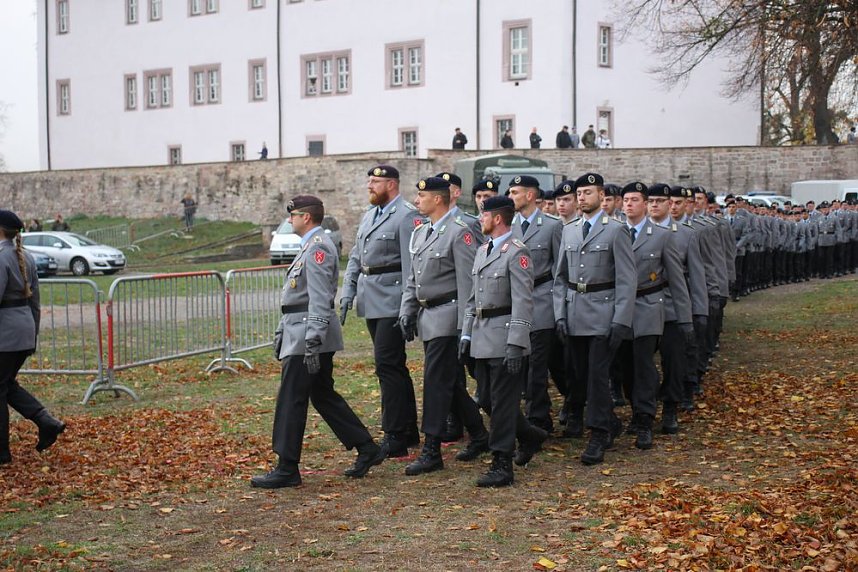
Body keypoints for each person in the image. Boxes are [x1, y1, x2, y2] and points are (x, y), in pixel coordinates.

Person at [252, 196, 385, 488]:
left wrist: (312, 339)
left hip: (307, 336)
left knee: (291, 398)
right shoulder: (311, 245)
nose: (290, 220)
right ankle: (366, 446)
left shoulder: (318, 247)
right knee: (322, 394)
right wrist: (281, 332)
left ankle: (287, 467)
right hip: (300, 332)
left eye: (294, 215)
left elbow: (320, 298)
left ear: (307, 218)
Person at [399, 177, 489, 475]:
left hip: (448, 319)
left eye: (421, 195)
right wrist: (407, 310)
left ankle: (431, 448)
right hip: (428, 317)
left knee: (436, 382)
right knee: (448, 382)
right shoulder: (423, 231)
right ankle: (479, 433)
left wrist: (467, 328)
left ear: (438, 199)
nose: (416, 200)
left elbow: (468, 285)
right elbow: (415, 276)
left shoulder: (459, 233)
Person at [460, 196, 545, 487]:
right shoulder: (484, 250)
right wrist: (466, 332)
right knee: (486, 399)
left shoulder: (516, 252)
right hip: (483, 336)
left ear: (497, 219)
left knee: (503, 402)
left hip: (505, 336)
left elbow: (524, 301)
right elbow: (474, 298)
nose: (479, 219)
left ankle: (502, 462)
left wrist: (516, 343)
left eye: (483, 215)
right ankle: (531, 435)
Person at [553, 173, 635, 465]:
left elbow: (627, 279)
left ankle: (598, 433)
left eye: (588, 192)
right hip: (575, 311)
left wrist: (621, 320)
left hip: (603, 312)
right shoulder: (570, 230)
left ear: (602, 196)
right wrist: (559, 314)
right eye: (579, 193)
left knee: (598, 377)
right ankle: (609, 422)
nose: (582, 198)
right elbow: (560, 277)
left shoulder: (615, 230)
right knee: (579, 376)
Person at [341, 165, 422, 458]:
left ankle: (395, 434)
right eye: (369, 181)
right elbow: (355, 256)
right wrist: (348, 290)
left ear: (391, 184)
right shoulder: (370, 214)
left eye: (375, 181)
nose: (370, 186)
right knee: (392, 366)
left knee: (387, 366)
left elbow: (411, 265)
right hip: (372, 298)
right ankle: (408, 428)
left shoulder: (406, 215)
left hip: (393, 299)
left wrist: (407, 306)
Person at [613, 182, 692, 450]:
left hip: (648, 305)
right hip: (620, 309)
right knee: (625, 367)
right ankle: (636, 411)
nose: (629, 204)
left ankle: (645, 419)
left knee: (644, 365)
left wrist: (686, 318)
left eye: (635, 199)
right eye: (625, 200)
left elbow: (677, 280)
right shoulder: (614, 232)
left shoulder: (660, 236)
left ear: (645, 204)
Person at [0, 210, 66, 465]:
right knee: (6, 384)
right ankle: (46, 421)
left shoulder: (2, 258)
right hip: (23, 330)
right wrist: (33, 334)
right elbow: (35, 303)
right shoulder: (24, 256)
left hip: (5, 333)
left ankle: (2, 453)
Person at [508, 175, 562, 440]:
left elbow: (560, 268)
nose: (511, 196)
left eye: (515, 192)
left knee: (538, 366)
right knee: (522, 363)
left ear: (530, 195)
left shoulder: (552, 226)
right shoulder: (509, 225)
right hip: (518, 303)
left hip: (542, 298)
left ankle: (537, 418)